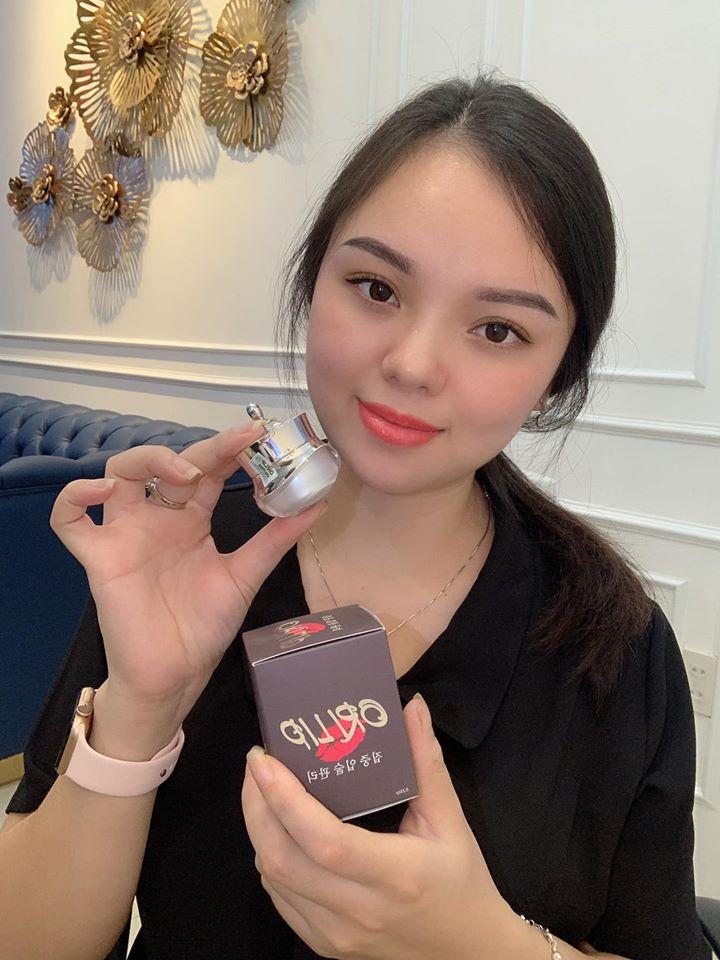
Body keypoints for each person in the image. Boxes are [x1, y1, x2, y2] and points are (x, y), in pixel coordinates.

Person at [1, 69, 709, 960]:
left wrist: (483, 943)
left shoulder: (614, 648)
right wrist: (140, 707)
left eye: (498, 330)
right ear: (313, 283)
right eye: (376, 288)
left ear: (554, 376)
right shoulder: (188, 553)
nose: (412, 364)